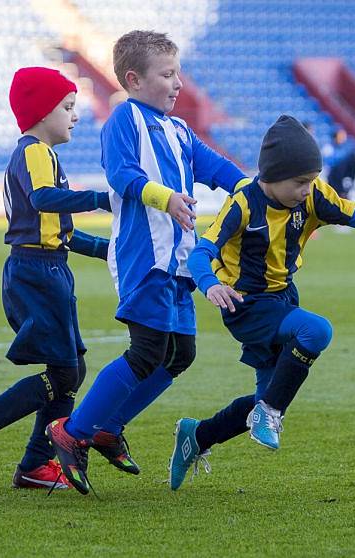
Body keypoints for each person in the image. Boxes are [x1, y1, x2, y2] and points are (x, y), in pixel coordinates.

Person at [45, 30, 248, 495]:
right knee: (146, 350)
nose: (178, 83)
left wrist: (255, 195)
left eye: (178, 72)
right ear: (134, 79)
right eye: (168, 74)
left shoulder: (178, 129)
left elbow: (216, 168)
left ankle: (105, 427)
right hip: (145, 256)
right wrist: (167, 198)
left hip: (178, 260)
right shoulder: (124, 119)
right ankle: (71, 432)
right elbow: (122, 176)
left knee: (180, 354)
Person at [167, 115, 355, 490]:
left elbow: (353, 213)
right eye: (299, 182)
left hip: (282, 296)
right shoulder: (243, 204)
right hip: (245, 305)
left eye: (311, 181)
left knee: (262, 394)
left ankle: (198, 436)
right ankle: (270, 412)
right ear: (271, 176)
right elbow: (202, 252)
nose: (307, 189)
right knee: (316, 330)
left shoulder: (313, 193)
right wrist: (209, 285)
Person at [0, 67, 112, 490]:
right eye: (68, 107)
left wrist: (114, 251)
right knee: (66, 373)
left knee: (71, 368)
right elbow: (43, 199)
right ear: (41, 112)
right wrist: (102, 198)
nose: (75, 116)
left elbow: (63, 233)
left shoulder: (43, 155)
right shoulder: (35, 151)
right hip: (36, 272)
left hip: (48, 267)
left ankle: (36, 465)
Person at [324, 128, 355, 200]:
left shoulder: (345, 149)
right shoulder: (329, 148)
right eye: (341, 136)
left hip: (339, 176)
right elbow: (327, 163)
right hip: (330, 175)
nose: (343, 138)